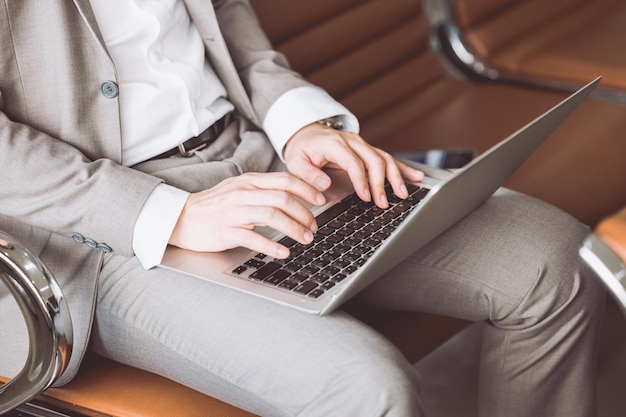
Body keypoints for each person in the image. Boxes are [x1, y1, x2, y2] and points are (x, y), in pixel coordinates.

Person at [0, 1, 605, 416]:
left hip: (261, 158)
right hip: (105, 230)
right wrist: (172, 213)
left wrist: (303, 125)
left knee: (551, 263)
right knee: (367, 392)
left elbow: (227, 26)